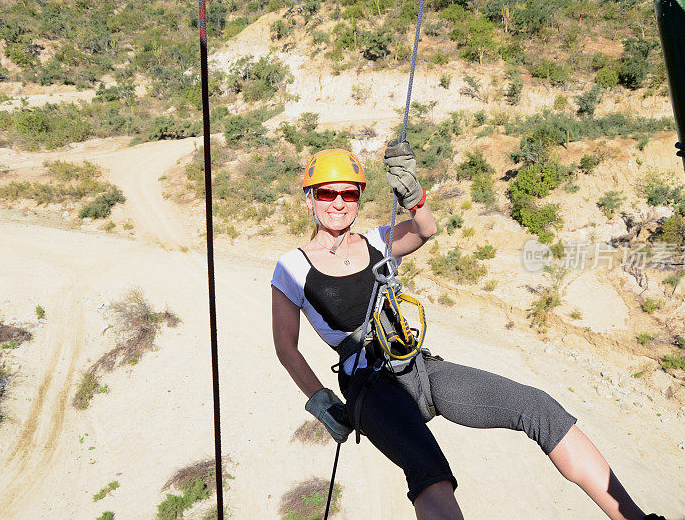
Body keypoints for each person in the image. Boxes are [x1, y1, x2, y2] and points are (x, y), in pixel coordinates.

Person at [271, 143, 664, 520]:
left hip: (418, 368)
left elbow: (425, 229)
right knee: (431, 477)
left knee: (537, 406)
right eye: (326, 193)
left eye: (348, 193)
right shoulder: (292, 267)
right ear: (309, 199)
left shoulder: (379, 240)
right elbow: (287, 348)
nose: (338, 203)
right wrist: (322, 401)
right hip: (370, 388)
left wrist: (414, 196)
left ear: (358, 197)